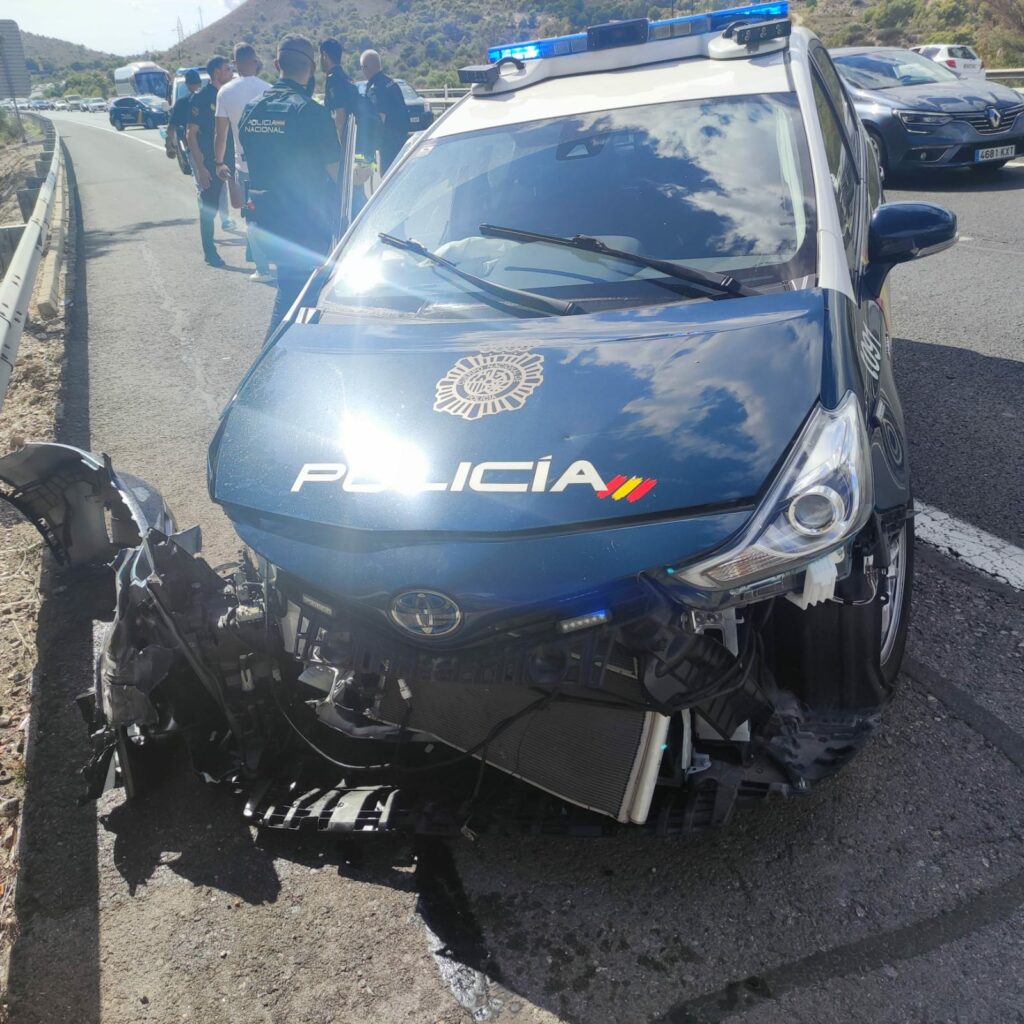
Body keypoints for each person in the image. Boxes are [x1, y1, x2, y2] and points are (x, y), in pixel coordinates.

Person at [239, 35, 341, 342]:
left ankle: (295, 353)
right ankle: (271, 361)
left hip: (266, 221)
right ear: (312, 68)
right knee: (299, 298)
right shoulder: (311, 112)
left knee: (295, 292)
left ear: (276, 64)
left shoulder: (252, 109)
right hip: (304, 225)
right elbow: (337, 173)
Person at [214, 43, 273, 283]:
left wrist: (219, 162)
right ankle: (281, 260)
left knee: (252, 218)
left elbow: (221, 134)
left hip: (245, 167)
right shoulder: (269, 89)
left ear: (235, 64)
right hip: (271, 166)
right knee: (273, 214)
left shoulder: (225, 92)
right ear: (255, 61)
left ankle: (263, 269)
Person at [187, 55, 235, 268]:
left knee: (246, 203)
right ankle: (209, 251)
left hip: (233, 158)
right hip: (210, 161)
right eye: (227, 69)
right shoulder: (201, 98)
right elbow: (191, 135)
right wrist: (201, 168)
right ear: (217, 72)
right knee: (209, 208)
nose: (231, 72)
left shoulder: (229, 94)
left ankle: (255, 252)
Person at [360, 49, 409, 174]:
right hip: (402, 141)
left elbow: (379, 119)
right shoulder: (391, 83)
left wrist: (370, 149)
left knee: (388, 180)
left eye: (362, 67)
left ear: (366, 67)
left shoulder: (375, 88)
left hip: (388, 146)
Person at [319, 38, 359, 147]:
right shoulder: (346, 77)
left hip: (343, 141)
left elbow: (340, 113)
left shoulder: (334, 79)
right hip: (352, 137)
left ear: (324, 55)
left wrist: (339, 146)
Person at [165, 68, 201, 165]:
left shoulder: (181, 103)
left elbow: (172, 127)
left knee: (200, 173)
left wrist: (169, 145)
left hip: (193, 147)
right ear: (200, 82)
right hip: (214, 146)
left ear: (187, 84)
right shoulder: (211, 98)